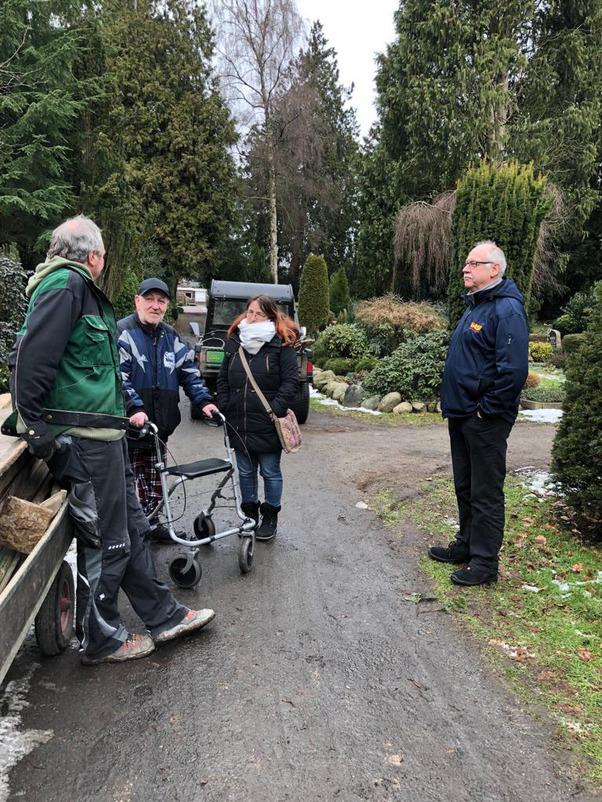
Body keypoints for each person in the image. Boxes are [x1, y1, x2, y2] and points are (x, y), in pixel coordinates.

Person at [8, 215, 215, 664]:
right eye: (104, 252)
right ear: (94, 255)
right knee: (107, 538)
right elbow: (28, 361)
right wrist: (39, 433)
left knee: (133, 529)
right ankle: (100, 638)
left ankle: (163, 615)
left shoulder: (78, 289)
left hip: (106, 436)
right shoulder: (65, 287)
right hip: (83, 440)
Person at [429, 240, 529, 586]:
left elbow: (513, 371)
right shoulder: (477, 306)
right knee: (466, 485)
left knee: (485, 491)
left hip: (484, 420)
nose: (465, 268)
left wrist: (486, 411)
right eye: (467, 263)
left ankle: (484, 563)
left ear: (494, 269)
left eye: (474, 263)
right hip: (462, 414)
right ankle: (467, 545)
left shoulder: (506, 310)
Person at [117, 278, 218, 541]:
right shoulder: (123, 333)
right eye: (149, 299)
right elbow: (118, 378)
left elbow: (188, 372)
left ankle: (153, 524)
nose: (155, 305)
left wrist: (204, 401)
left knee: (156, 480)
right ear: (137, 301)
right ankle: (133, 533)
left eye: (161, 301)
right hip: (131, 428)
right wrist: (133, 408)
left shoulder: (171, 336)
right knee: (130, 484)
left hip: (159, 428)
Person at [216, 295, 299, 541]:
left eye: (258, 314)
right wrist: (225, 405)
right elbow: (222, 378)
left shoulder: (281, 344)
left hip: (267, 422)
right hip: (238, 420)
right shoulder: (235, 341)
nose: (251, 318)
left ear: (270, 317)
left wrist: (276, 409)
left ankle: (270, 516)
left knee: (270, 471)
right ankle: (249, 516)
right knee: (245, 471)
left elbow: (291, 382)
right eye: (249, 312)